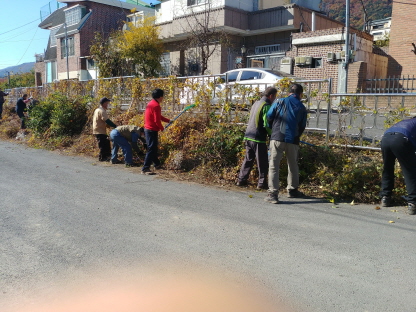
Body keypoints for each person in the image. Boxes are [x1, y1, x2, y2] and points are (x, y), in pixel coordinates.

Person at [264, 84, 307, 204]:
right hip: (293, 140)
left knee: (273, 165)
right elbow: (302, 126)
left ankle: (273, 193)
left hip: (277, 137)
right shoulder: (302, 107)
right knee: (293, 165)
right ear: (300, 94)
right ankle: (292, 190)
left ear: (289, 93)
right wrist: (297, 136)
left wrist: (272, 129)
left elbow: (269, 116)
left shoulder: (280, 101)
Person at [236, 87, 277, 189]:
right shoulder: (266, 106)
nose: (274, 99)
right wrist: (272, 134)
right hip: (258, 137)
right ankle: (262, 183)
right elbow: (266, 124)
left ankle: (241, 180)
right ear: (271, 96)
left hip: (249, 135)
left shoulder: (256, 104)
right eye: (275, 97)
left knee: (248, 159)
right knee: (262, 161)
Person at [379, 118, 416, 215]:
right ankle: (413, 203)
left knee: (388, 168)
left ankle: (385, 197)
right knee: (410, 172)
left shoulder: (407, 121)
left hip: (386, 139)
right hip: (401, 140)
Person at [142, 89, 171, 175]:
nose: (163, 98)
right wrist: (162, 128)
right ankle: (145, 168)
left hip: (148, 129)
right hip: (151, 130)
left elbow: (158, 116)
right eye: (162, 96)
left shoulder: (151, 103)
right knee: (151, 148)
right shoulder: (156, 106)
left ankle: (157, 164)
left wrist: (168, 120)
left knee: (153, 148)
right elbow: (157, 120)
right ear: (160, 97)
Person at [92, 97, 117, 162]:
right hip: (99, 130)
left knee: (106, 142)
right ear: (104, 103)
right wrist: (114, 126)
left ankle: (106, 156)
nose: (107, 105)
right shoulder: (102, 111)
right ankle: (102, 157)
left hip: (98, 129)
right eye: (107, 103)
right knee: (102, 144)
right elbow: (107, 120)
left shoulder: (97, 109)